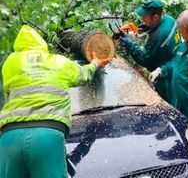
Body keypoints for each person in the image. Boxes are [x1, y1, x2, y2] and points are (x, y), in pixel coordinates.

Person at [0, 25, 110, 178]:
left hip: (10, 137)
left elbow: (9, 96)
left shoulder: (9, 64)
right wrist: (95, 63)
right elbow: (83, 75)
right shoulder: (58, 62)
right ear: (41, 45)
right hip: (47, 134)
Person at [149, 9, 188, 127]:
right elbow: (175, 64)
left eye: (180, 29)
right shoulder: (184, 44)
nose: (179, 32)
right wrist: (161, 70)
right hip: (178, 105)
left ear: (186, 28)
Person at [119, 0, 180, 101]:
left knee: (165, 104)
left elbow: (145, 60)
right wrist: (140, 28)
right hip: (175, 63)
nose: (142, 18)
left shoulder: (158, 36)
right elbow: (155, 28)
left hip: (165, 76)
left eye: (144, 17)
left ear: (155, 17)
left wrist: (130, 44)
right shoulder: (169, 19)